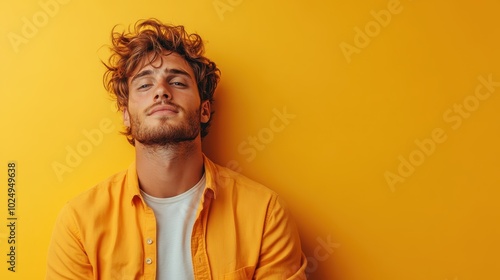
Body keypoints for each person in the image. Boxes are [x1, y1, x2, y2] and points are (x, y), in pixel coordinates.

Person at [46, 18, 307, 279]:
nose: (161, 91)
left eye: (178, 83)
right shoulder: (79, 223)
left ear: (204, 110)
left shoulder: (264, 214)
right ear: (126, 114)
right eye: (145, 85)